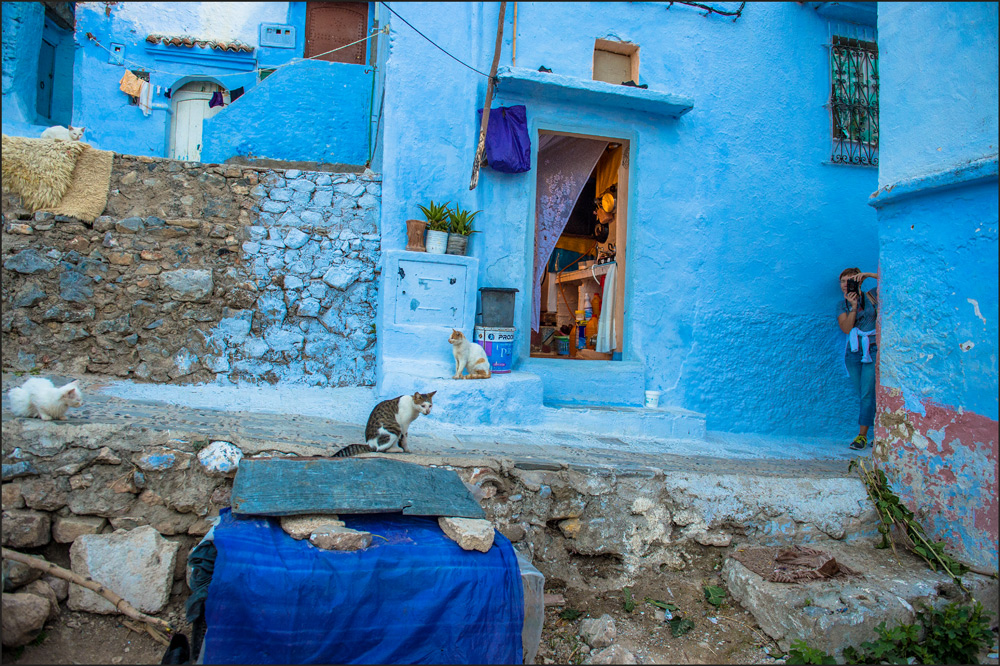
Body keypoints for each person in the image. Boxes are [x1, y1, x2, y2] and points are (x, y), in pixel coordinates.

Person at [837, 267, 879, 450]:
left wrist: (869, 275)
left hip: (872, 350)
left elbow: (891, 282)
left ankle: (863, 436)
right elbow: (846, 328)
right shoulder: (842, 305)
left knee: (867, 393)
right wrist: (853, 307)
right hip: (853, 353)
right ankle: (877, 433)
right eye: (843, 281)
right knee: (864, 393)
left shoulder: (872, 296)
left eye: (850, 280)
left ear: (859, 281)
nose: (846, 285)